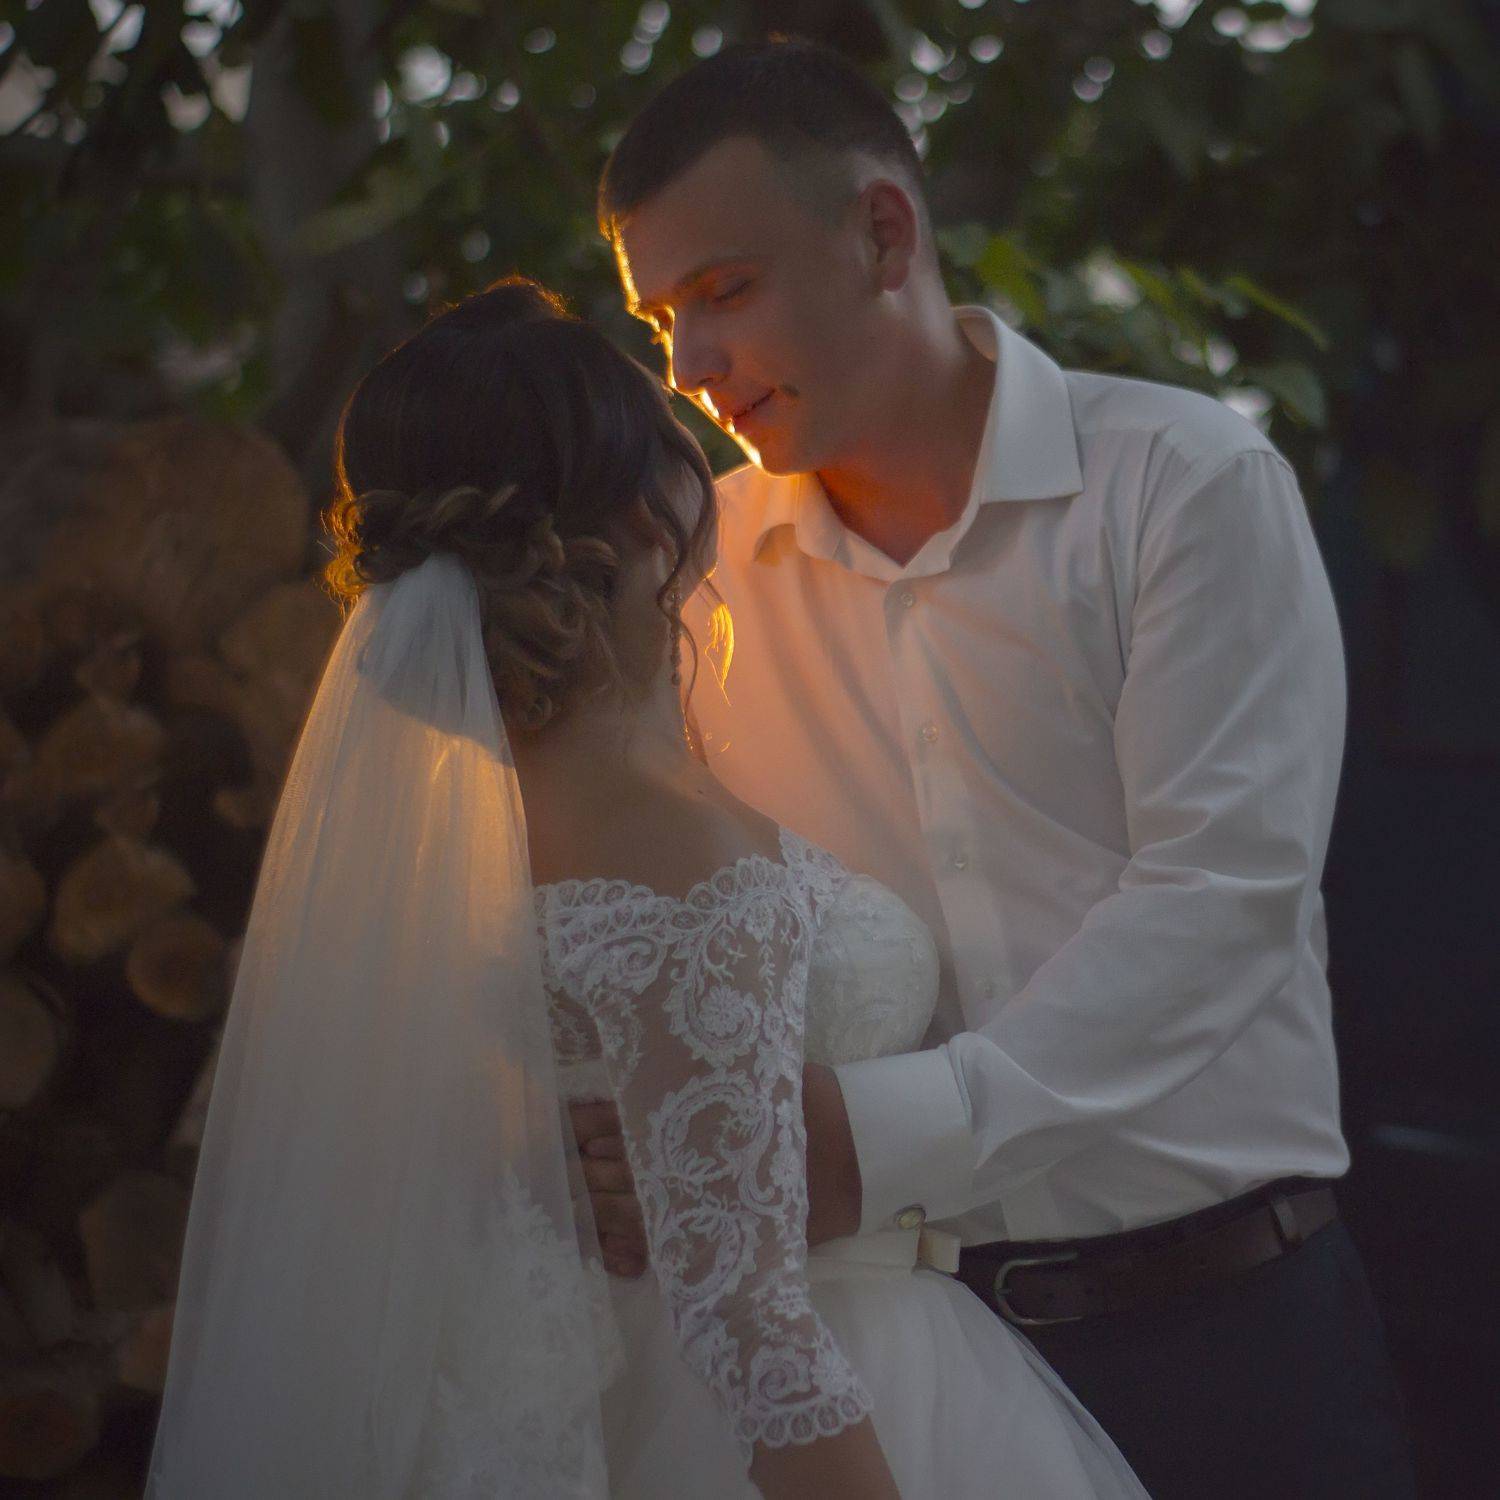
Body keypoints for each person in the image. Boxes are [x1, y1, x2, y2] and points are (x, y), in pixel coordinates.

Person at [571, 38, 1418, 1500]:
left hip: (1234, 1344)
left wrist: (873, 1137)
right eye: (662, 319)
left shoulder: (1182, 485)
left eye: (726, 291)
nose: (688, 364)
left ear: (883, 233)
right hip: (905, 1372)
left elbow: (1221, 899)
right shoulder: (696, 583)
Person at [145, 276, 1147, 1498]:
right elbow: (750, 1328)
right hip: (819, 1405)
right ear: (648, 509)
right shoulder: (674, 853)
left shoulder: (477, 832)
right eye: (671, 430)